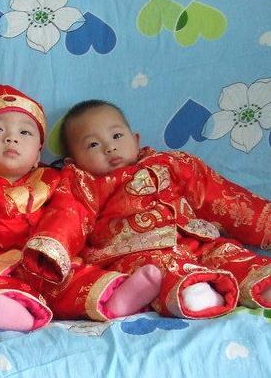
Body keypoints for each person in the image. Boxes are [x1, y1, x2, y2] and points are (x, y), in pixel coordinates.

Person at [0, 85, 160, 335]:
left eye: (24, 132)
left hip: (47, 262)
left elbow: (70, 213)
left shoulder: (55, 178)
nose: (12, 138)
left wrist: (53, 250)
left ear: (37, 154)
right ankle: (12, 314)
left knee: (77, 279)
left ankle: (115, 300)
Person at [23, 99, 271, 320]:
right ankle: (193, 291)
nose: (109, 147)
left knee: (227, 252)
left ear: (136, 139)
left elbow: (220, 197)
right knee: (160, 267)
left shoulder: (173, 164)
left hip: (196, 239)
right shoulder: (83, 183)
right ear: (73, 161)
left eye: (117, 136)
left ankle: (261, 282)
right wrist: (52, 250)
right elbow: (68, 215)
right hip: (134, 252)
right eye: (93, 144)